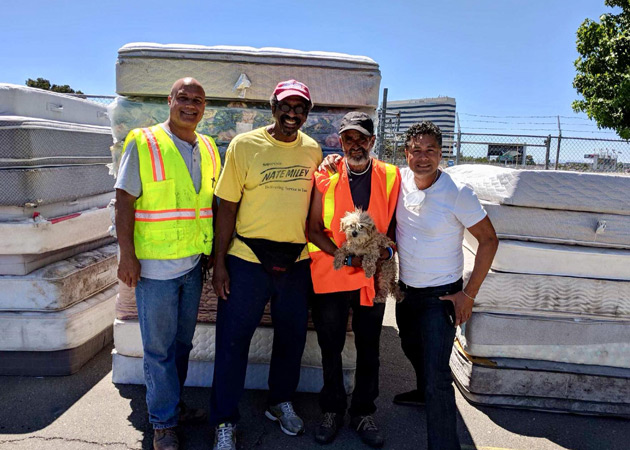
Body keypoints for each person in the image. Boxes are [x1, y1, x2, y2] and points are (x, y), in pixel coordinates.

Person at [209, 80, 323, 450]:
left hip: (296, 259)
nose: (293, 114)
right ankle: (225, 420)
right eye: (286, 106)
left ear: (307, 113)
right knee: (232, 341)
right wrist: (220, 261)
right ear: (272, 107)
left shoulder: (313, 150)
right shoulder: (245, 146)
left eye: (300, 108)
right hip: (247, 258)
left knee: (292, 339)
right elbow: (226, 206)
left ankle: (279, 402)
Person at [115, 78, 221, 450]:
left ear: (204, 107)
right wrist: (127, 255)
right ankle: (162, 423)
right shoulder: (143, 142)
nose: (190, 105)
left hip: (191, 267)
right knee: (158, 350)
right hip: (154, 271)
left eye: (198, 99)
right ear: (169, 101)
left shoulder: (208, 146)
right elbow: (124, 201)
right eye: (183, 98)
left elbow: (206, 203)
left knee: (181, 345)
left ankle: (171, 407)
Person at [394, 121, 498, 450]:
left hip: (440, 297)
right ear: (406, 153)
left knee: (439, 376)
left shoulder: (457, 194)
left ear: (441, 154)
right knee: (411, 347)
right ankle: (423, 393)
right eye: (416, 151)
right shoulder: (398, 181)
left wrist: (468, 294)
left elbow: (489, 241)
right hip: (406, 292)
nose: (423, 158)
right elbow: (365, 167)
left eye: (430, 151)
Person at [307, 112, 400, 448]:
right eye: (349, 138)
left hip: (370, 278)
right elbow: (313, 229)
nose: (356, 144)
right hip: (331, 274)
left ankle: (363, 412)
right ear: (340, 142)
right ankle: (332, 411)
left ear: (373, 142)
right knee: (330, 347)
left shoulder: (391, 176)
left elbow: (399, 227)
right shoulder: (325, 175)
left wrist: (386, 256)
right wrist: (347, 257)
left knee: (369, 347)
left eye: (362, 138)